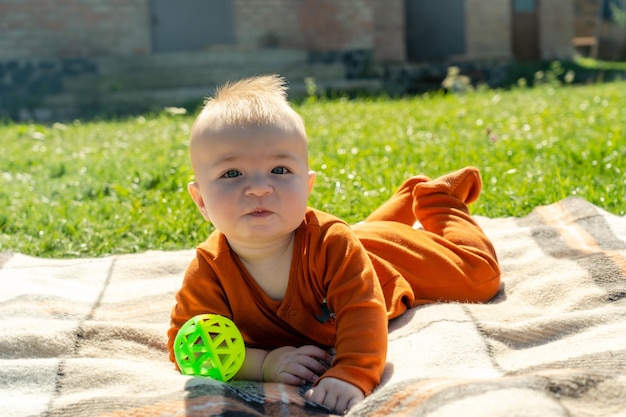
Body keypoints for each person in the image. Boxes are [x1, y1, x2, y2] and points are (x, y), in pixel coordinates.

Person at [167, 74, 501, 414]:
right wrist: (264, 364)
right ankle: (400, 202)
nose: (259, 188)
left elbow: (363, 311)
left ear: (307, 186)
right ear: (201, 200)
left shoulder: (332, 243)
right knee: (363, 235)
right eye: (232, 174)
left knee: (480, 277)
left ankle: (437, 199)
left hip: (384, 261)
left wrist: (352, 373)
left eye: (279, 169)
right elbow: (188, 345)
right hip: (357, 243)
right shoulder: (209, 268)